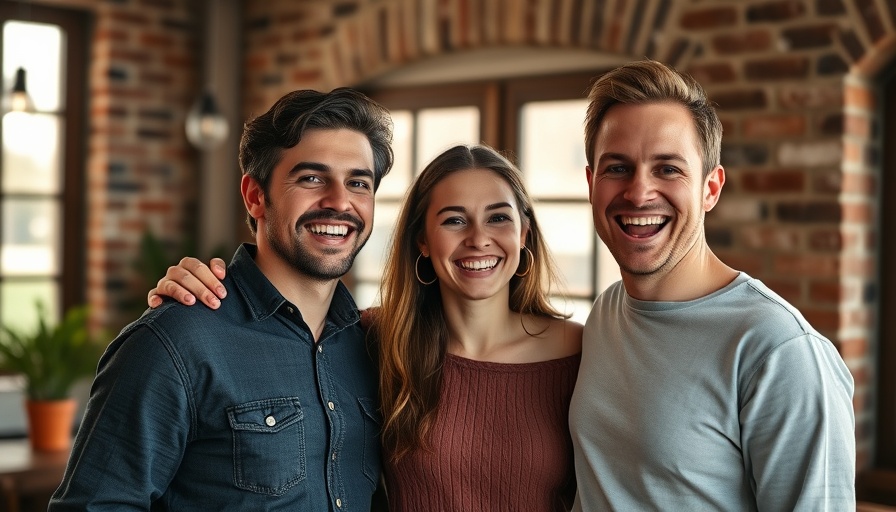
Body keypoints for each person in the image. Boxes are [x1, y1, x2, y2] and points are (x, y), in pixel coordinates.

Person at [147, 144, 583, 511]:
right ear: (423, 241)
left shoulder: (581, 352)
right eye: (453, 219)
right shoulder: (370, 339)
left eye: (499, 217)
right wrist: (201, 291)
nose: (478, 238)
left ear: (525, 232)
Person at [50, 87, 394, 510]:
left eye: (358, 183)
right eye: (311, 178)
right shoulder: (175, 341)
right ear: (255, 196)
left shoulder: (374, 345)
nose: (340, 201)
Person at [570, 59, 855, 510]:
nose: (639, 193)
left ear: (711, 188)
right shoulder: (607, 313)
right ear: (591, 184)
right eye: (617, 168)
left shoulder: (780, 351)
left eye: (668, 169)